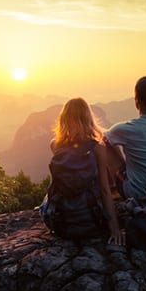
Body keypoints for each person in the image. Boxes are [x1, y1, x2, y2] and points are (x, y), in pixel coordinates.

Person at [49, 97, 124, 245]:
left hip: (61, 220)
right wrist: (114, 228)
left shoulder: (55, 145)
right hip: (90, 217)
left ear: (64, 119)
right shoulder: (97, 148)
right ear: (88, 118)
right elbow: (104, 189)